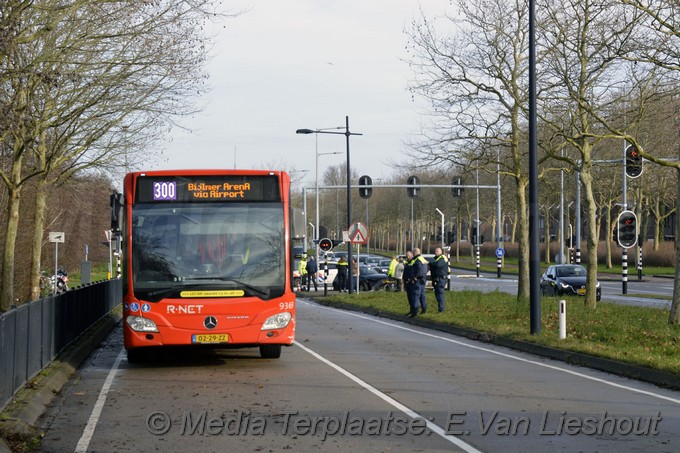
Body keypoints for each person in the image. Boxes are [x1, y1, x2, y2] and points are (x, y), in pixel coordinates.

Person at [430, 247, 449, 312]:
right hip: (436, 279)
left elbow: (438, 265)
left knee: (440, 294)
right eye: (435, 251)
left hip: (441, 279)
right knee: (437, 294)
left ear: (441, 252)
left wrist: (430, 263)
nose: (436, 252)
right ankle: (440, 308)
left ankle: (441, 309)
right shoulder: (436, 259)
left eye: (437, 251)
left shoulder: (442, 258)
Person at [412, 247, 429, 315]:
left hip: (418, 279)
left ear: (415, 252)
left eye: (413, 252)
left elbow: (419, 269)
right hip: (423, 279)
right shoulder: (422, 259)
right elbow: (426, 268)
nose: (413, 254)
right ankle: (424, 309)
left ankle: (415, 310)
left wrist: (415, 276)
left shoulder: (418, 260)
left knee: (416, 295)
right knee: (422, 295)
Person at [403, 250, 417, 317]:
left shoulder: (413, 262)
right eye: (406, 256)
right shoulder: (407, 263)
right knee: (409, 298)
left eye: (408, 255)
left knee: (413, 297)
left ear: (412, 255)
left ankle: (414, 311)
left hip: (412, 283)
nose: (407, 257)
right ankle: (411, 310)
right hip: (407, 282)